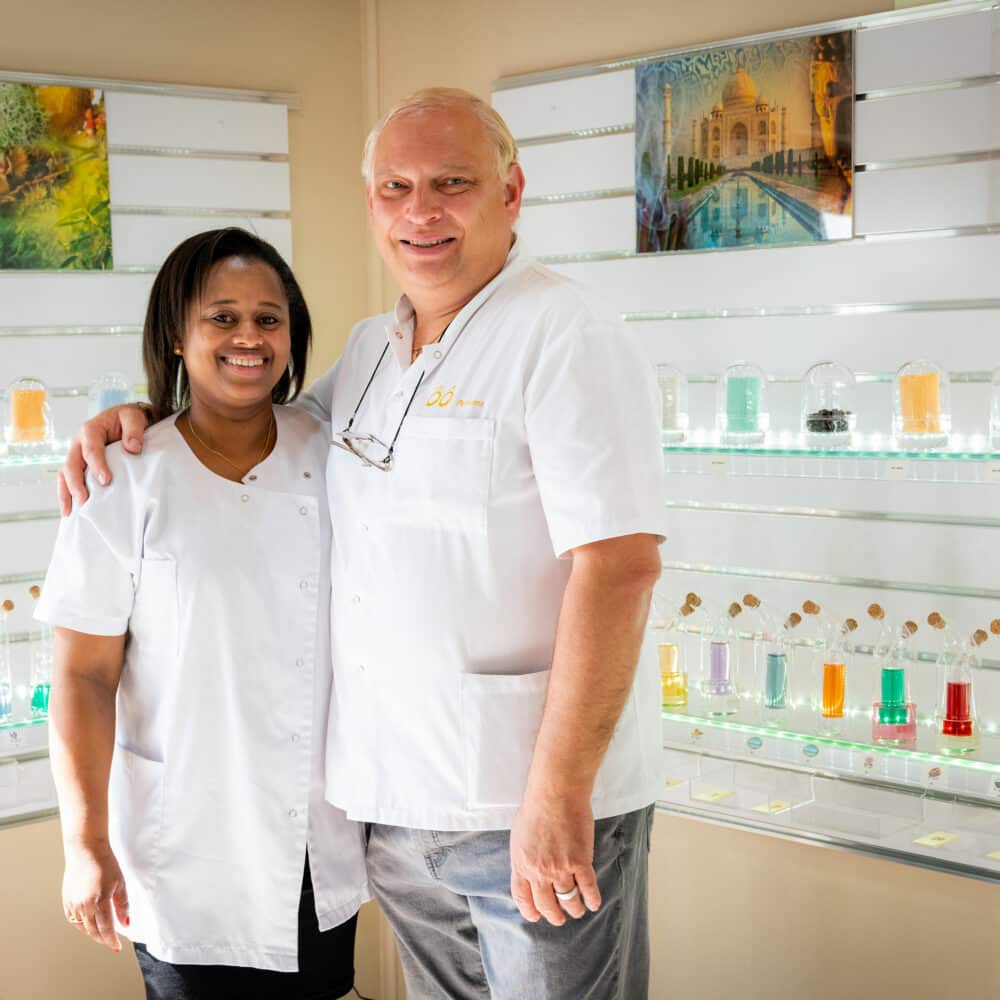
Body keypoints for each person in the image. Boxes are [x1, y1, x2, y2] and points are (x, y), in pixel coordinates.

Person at [61, 89, 667, 999]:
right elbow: (256, 424)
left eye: (452, 183)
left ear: (511, 193)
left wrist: (559, 792)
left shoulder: (566, 332)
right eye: (395, 187)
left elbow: (620, 566)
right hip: (399, 811)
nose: (420, 210)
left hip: (529, 804)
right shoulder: (375, 350)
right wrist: (141, 414)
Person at [40, 229, 368, 999]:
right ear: (177, 336)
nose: (249, 337)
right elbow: (83, 678)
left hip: (309, 836)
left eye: (268, 318)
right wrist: (84, 843)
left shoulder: (337, 454)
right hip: (183, 847)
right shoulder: (123, 479)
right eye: (222, 318)